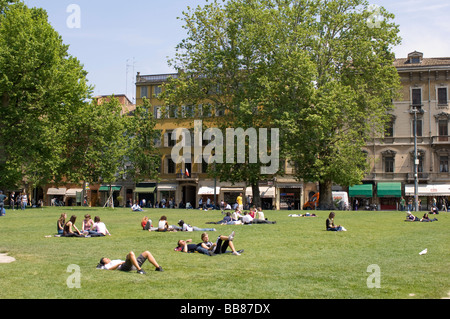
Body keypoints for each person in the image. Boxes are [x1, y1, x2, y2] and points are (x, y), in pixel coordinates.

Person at [98, 250, 163, 274]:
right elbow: (110, 269)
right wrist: (119, 264)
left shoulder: (112, 260)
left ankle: (158, 267)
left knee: (147, 252)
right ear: (104, 262)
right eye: (105, 259)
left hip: (132, 264)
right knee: (131, 253)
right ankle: (139, 269)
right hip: (125, 266)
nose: (107, 258)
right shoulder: (107, 265)